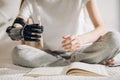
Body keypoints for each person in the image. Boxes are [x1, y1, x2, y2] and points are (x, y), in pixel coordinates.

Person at [6, 0, 120, 67]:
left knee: (116, 38)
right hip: (51, 54)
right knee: (18, 52)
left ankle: (77, 61)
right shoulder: (31, 1)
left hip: (84, 49)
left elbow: (101, 28)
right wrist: (19, 32)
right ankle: (88, 61)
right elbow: (17, 25)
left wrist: (80, 40)